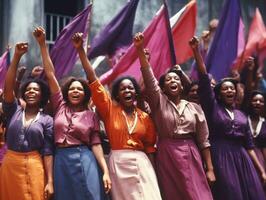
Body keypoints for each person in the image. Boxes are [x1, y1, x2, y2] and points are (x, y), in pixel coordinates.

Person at [73, 32, 162, 200]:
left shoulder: (144, 117)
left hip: (143, 164)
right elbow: (93, 80)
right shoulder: (109, 110)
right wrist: (81, 52)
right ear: (118, 95)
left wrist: (154, 174)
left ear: (136, 93)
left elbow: (150, 148)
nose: (127, 91)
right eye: (123, 89)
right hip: (118, 164)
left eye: (130, 88)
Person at [134, 32, 215, 200]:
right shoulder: (158, 103)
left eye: (176, 79)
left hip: (191, 152)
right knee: (173, 194)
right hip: (167, 152)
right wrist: (140, 50)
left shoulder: (194, 107)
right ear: (162, 87)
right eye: (168, 79)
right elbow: (149, 79)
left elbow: (203, 140)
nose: (173, 81)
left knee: (198, 194)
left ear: (181, 85)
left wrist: (210, 169)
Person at [33, 27, 111, 200]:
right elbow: (50, 74)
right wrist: (42, 45)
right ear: (66, 92)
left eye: (80, 89)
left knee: (91, 195)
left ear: (85, 94)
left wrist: (105, 171)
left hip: (86, 158)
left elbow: (96, 144)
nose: (75, 91)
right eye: (72, 89)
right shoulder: (59, 105)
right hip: (61, 159)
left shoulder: (91, 115)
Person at [190, 36, 266, 200]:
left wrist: (261, 171)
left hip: (243, 159)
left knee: (254, 193)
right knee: (231, 194)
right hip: (222, 157)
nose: (230, 91)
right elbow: (203, 79)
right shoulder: (212, 108)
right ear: (218, 94)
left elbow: (249, 145)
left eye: (232, 88)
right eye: (225, 89)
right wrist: (197, 52)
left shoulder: (240, 114)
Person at [0, 42, 54, 200]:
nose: (31, 91)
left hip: (34, 166)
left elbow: (48, 151)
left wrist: (50, 181)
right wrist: (16, 56)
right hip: (10, 166)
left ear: (42, 95)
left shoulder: (47, 120)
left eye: (35, 90)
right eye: (28, 89)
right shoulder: (13, 111)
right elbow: (8, 88)